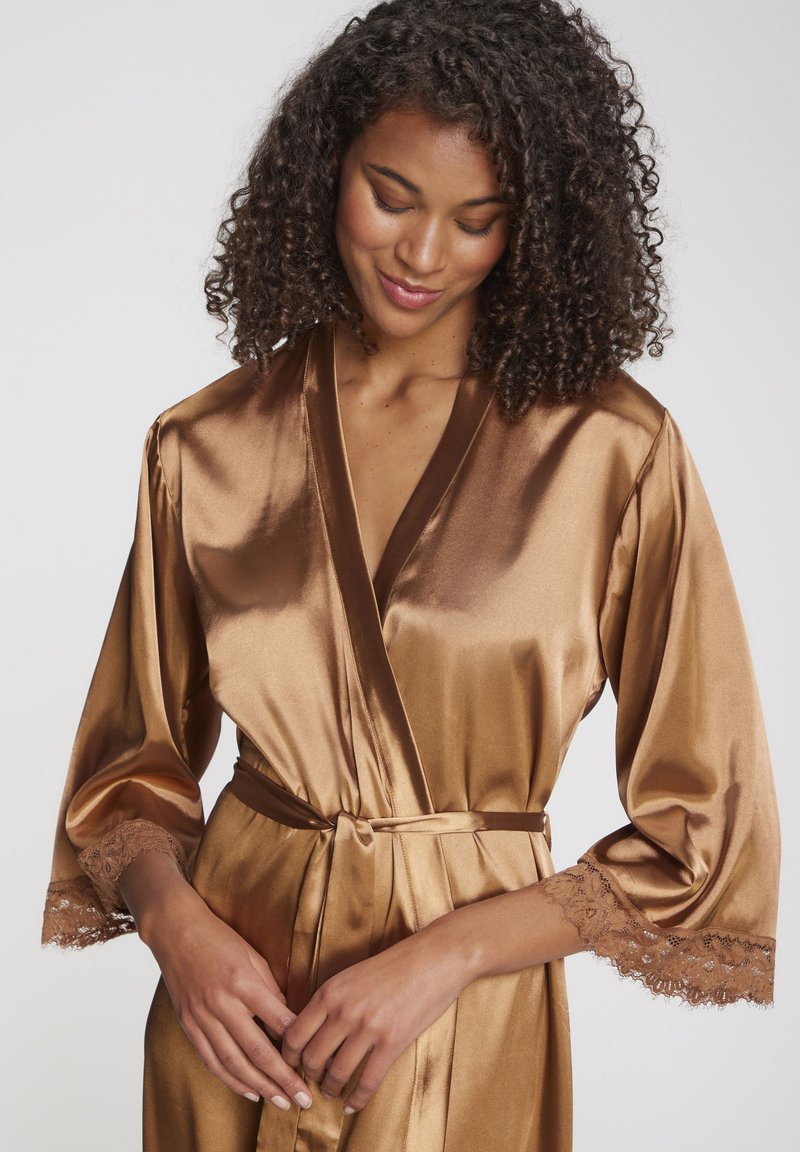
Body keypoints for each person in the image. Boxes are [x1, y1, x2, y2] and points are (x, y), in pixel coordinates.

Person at [41, 1, 780, 1149]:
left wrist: (450, 954)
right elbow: (127, 771)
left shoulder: (611, 452)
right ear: (324, 170)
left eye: (476, 220)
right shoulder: (206, 445)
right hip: (233, 1016)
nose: (423, 255)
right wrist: (179, 935)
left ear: (531, 224)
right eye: (390, 197)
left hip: (458, 1021)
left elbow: (705, 823)